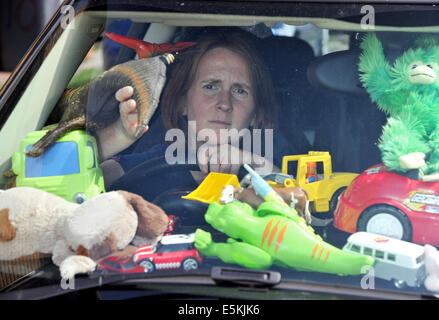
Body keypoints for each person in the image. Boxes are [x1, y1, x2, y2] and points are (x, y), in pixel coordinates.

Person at [97, 30, 285, 196]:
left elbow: (302, 204)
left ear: (257, 114)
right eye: (210, 86)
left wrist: (256, 165)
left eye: (240, 91)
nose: (224, 103)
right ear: (181, 102)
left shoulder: (268, 168)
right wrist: (112, 138)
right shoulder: (143, 167)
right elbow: (73, 189)